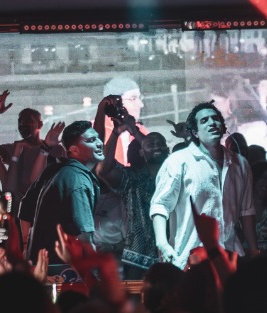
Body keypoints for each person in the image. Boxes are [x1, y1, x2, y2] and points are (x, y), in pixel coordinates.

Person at [150, 101, 259, 269]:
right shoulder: (179, 161)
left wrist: (253, 252)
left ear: (223, 127)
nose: (211, 123)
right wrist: (162, 244)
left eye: (215, 119)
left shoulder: (240, 164)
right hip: (190, 258)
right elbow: (160, 206)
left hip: (230, 257)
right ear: (195, 132)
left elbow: (246, 212)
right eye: (204, 120)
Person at [96, 106, 170, 278]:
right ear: (142, 152)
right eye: (151, 144)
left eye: (160, 143)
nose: (156, 146)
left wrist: (136, 133)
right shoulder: (132, 180)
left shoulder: (176, 178)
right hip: (138, 258)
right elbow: (103, 171)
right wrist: (116, 133)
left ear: (168, 151)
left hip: (172, 254)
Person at [22, 120, 103, 270]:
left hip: (42, 267)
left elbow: (25, 207)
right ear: (74, 150)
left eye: (97, 138)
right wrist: (98, 277)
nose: (99, 143)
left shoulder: (55, 170)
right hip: (62, 271)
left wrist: (28, 249)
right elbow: (84, 237)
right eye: (91, 140)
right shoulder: (77, 179)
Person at [0, 108, 66, 204]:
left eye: (28, 121)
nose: (22, 125)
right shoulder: (15, 147)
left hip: (48, 204)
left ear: (40, 124)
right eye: (20, 122)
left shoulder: (56, 150)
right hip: (20, 207)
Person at [93, 76, 147, 166]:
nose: (141, 104)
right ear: (114, 103)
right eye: (133, 99)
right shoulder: (93, 132)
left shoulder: (141, 131)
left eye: (140, 98)